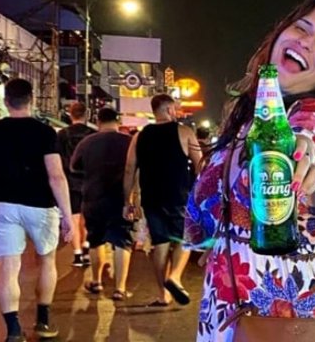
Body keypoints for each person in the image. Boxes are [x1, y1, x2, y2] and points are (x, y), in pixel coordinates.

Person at [185, 0, 315, 341]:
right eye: (302, 27)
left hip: (293, 316)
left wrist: (301, 152)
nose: (306, 43)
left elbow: (308, 137)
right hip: (233, 306)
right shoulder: (245, 119)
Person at [0, 78, 74, 342]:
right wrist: (67, 214)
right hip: (41, 206)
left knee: (8, 268)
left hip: (4, 204)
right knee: (47, 261)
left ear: (5, 101)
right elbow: (56, 176)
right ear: (31, 100)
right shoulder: (45, 133)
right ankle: (43, 321)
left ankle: (14, 330)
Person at [123, 94, 204, 307]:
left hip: (152, 197)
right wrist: (201, 192)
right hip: (180, 195)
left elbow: (130, 168)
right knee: (184, 239)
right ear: (169, 110)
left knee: (160, 243)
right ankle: (175, 277)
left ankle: (162, 294)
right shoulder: (184, 132)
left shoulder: (139, 136)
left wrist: (128, 201)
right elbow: (200, 164)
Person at [72, 108, 134, 300]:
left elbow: (74, 166)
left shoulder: (87, 142)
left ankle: (97, 282)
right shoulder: (129, 142)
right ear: (118, 121)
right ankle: (120, 288)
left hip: (93, 198)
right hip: (120, 197)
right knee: (122, 241)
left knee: (95, 239)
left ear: (98, 121)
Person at [56, 102, 94, 267]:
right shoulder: (93, 134)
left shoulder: (62, 135)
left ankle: (77, 253)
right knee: (87, 218)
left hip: (69, 182)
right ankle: (86, 247)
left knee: (74, 218)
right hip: (90, 181)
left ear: (71, 115)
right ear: (87, 115)